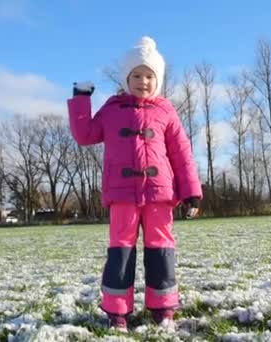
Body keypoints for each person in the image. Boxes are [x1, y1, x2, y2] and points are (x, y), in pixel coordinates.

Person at [67, 36, 202, 332]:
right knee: (120, 252)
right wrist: (81, 99)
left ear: (159, 79)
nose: (143, 81)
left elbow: (181, 153)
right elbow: (85, 134)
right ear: (126, 78)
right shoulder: (113, 109)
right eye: (137, 75)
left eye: (149, 76)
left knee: (161, 251)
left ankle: (163, 308)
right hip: (121, 194)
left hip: (160, 193)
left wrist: (191, 192)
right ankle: (117, 313)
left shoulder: (166, 111)